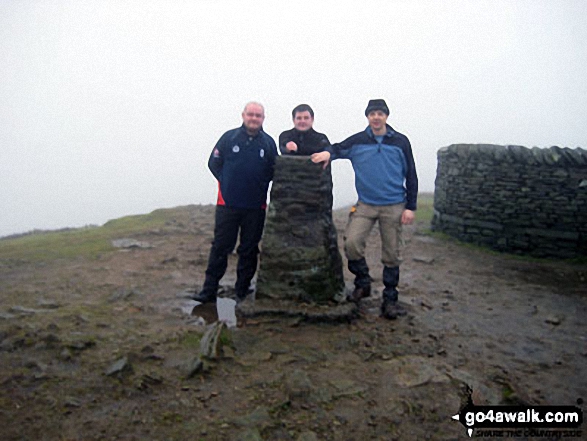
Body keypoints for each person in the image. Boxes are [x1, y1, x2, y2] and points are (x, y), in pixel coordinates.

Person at [311, 99, 418, 319]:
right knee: (351, 243)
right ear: (367, 117)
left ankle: (390, 299)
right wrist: (328, 154)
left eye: (380, 113)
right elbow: (338, 148)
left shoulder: (400, 142)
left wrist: (411, 207)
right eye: (372, 114)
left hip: (394, 204)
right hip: (366, 204)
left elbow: (412, 175)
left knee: (391, 253)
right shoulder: (358, 140)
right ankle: (363, 282)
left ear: (386, 116)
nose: (376, 117)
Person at [191, 102, 278, 303]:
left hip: (256, 207)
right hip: (227, 205)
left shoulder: (268, 143)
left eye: (258, 115)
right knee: (221, 247)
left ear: (263, 118)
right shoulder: (229, 138)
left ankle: (242, 290)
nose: (254, 118)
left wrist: (260, 183)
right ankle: (209, 290)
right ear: (243, 115)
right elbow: (214, 163)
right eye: (251, 114)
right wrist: (226, 180)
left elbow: (275, 170)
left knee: (249, 249)